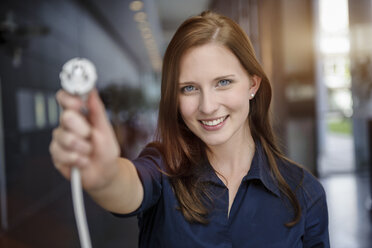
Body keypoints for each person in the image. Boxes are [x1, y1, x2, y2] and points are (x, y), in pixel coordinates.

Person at [49, 11, 329, 248]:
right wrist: (105, 175)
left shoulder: (304, 192)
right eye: (189, 88)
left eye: (223, 82)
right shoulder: (162, 168)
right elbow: (126, 185)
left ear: (253, 85)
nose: (207, 106)